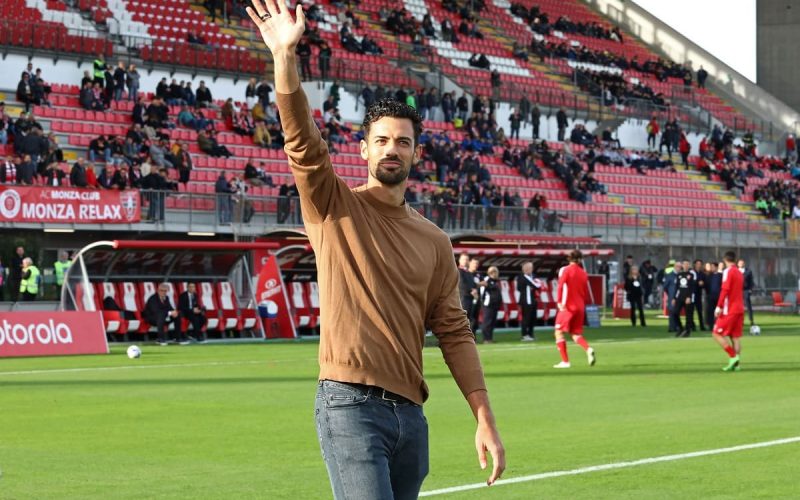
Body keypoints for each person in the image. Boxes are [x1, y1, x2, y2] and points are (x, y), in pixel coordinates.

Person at [246, 2, 504, 497]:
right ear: (362, 150)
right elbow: (302, 144)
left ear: (415, 153)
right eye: (381, 140)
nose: (391, 149)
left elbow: (454, 331)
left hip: (412, 416)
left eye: (402, 142)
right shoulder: (332, 206)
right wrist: (284, 57)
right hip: (350, 406)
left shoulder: (434, 240)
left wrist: (484, 416)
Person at [552, 250, 596, 368]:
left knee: (558, 332)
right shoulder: (583, 273)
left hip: (568, 306)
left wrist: (560, 301)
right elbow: (585, 291)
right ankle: (588, 349)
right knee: (575, 333)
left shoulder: (565, 270)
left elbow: (561, 285)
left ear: (569, 258)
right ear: (580, 259)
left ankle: (565, 361)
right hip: (580, 306)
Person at [713, 252, 744, 371]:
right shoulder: (739, 272)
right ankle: (737, 365)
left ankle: (733, 357)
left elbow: (725, 289)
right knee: (735, 337)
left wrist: (719, 306)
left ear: (725, 260)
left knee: (716, 333)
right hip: (739, 307)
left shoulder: (728, 271)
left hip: (729, 308)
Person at [515, 261, 540, 341]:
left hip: (533, 300)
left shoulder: (534, 276)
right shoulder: (521, 277)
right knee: (526, 318)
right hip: (525, 301)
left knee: (533, 318)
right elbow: (519, 288)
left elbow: (538, 286)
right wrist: (531, 286)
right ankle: (524, 335)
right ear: (526, 269)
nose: (532, 269)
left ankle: (531, 334)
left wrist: (532, 286)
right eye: (530, 268)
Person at [478, 266, 501, 344]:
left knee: (492, 322)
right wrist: (483, 302)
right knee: (487, 322)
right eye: (494, 272)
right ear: (490, 273)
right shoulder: (487, 280)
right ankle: (486, 338)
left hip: (495, 304)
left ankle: (490, 338)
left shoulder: (496, 281)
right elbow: (482, 291)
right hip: (488, 304)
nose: (495, 274)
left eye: (496, 272)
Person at [672, 261, 695, 337]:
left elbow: (691, 287)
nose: (685, 266)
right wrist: (674, 298)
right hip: (680, 297)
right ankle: (680, 328)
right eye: (684, 264)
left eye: (687, 264)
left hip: (687, 297)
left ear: (689, 265)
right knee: (675, 313)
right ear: (682, 265)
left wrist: (689, 297)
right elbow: (676, 287)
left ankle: (687, 331)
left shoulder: (691, 275)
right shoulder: (679, 275)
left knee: (688, 315)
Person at [737, 259, 755, 327]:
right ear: (738, 264)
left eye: (742, 263)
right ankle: (740, 321)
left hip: (746, 290)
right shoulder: (735, 271)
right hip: (738, 291)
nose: (741, 264)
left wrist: (750, 289)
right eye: (740, 263)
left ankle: (751, 320)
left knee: (748, 306)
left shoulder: (748, 271)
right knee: (739, 307)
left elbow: (751, 281)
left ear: (744, 264)